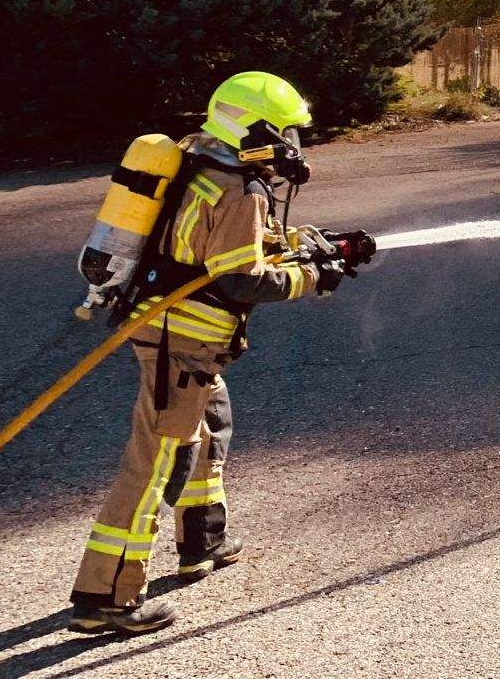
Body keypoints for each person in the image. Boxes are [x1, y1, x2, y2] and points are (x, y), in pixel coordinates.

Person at [68, 72, 361, 635]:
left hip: (170, 333)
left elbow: (222, 244)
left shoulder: (201, 163)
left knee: (209, 423)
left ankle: (203, 540)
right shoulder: (240, 189)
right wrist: (314, 279)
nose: (293, 147)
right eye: (286, 133)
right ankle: (104, 595)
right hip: (182, 342)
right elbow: (243, 280)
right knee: (156, 461)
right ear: (254, 128)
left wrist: (313, 244)